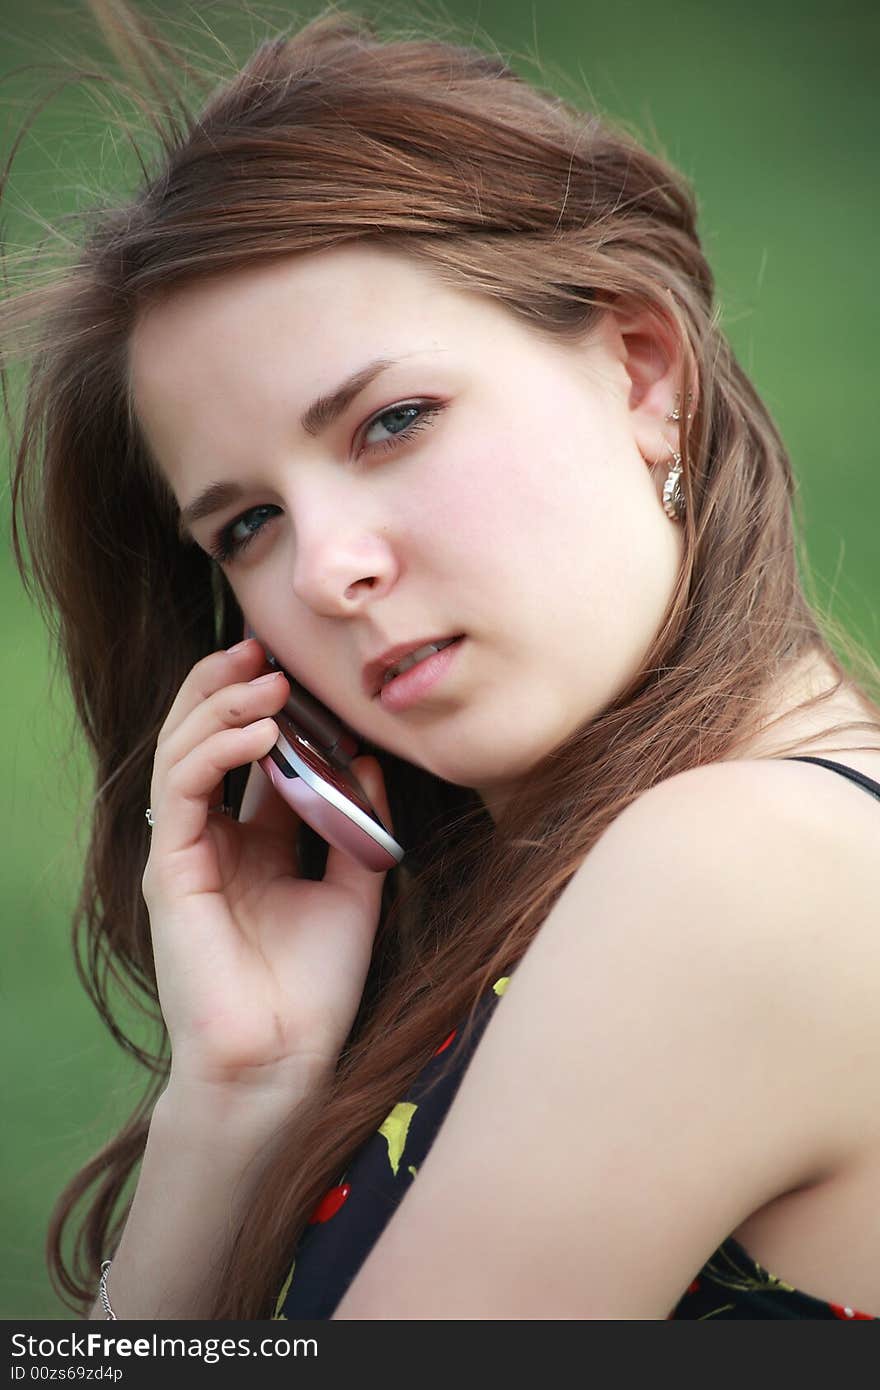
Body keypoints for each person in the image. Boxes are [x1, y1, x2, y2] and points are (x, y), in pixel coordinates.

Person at [4, 2, 880, 1322]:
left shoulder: (743, 861)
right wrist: (237, 1089)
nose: (322, 570)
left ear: (644, 369)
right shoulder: (597, 897)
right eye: (246, 524)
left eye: (392, 421)